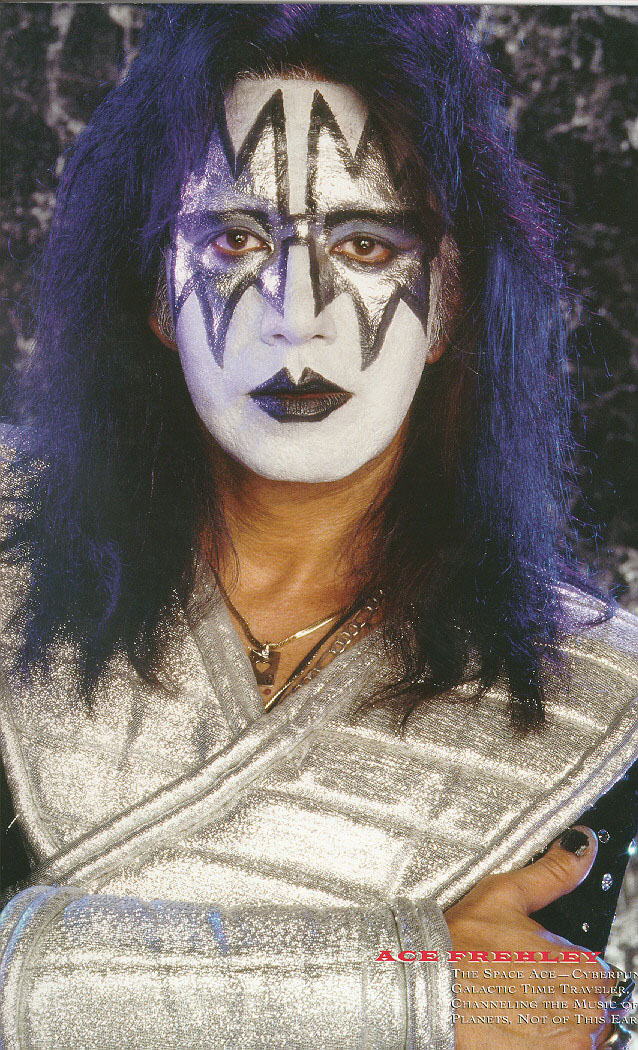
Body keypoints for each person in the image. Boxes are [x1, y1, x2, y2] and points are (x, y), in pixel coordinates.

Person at [0, 5, 636, 1048]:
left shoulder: (587, 693)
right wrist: (406, 987)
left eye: (364, 242)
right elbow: (469, 1003)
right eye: (236, 238)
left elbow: (540, 1017)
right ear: (157, 288)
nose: (298, 311)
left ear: (446, 297)